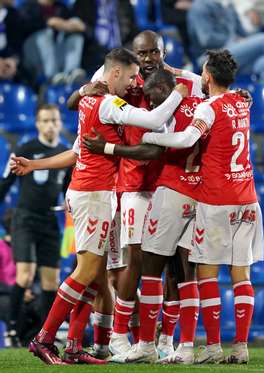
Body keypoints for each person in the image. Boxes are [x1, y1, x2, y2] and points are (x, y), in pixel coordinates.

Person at [10, 47, 189, 365]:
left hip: (95, 193)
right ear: (115, 73)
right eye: (131, 76)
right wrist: (179, 90)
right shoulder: (107, 104)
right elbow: (153, 118)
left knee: (94, 276)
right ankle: (45, 338)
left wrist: (34, 166)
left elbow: (76, 151)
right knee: (88, 270)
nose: (134, 83)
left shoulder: (91, 101)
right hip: (92, 194)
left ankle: (76, 345)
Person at [66, 30, 204, 359]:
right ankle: (118, 338)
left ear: (163, 51)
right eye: (141, 54)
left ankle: (165, 340)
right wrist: (85, 89)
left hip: (169, 183)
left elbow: (216, 94)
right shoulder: (122, 80)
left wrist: (240, 95)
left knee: (175, 266)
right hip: (131, 186)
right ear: (133, 55)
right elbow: (76, 101)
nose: (147, 59)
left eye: (153, 52)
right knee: (134, 260)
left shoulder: (182, 80)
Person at [141, 49, 264, 364]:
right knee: (242, 276)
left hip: (218, 200)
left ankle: (211, 347)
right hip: (248, 199)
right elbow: (215, 83)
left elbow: (185, 140)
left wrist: (152, 138)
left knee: (207, 274)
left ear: (207, 75)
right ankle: (241, 347)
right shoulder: (243, 101)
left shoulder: (209, 109)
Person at [0, 105, 70, 348]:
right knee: (25, 275)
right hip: (25, 218)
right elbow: (6, 183)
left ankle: (45, 335)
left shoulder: (65, 154)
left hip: (50, 221)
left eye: (54, 120)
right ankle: (11, 329)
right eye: (45, 120)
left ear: (60, 123)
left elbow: (67, 191)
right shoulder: (25, 149)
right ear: (38, 124)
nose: (50, 125)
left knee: (51, 281)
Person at [20, 0, 86, 84]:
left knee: (76, 36)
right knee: (46, 34)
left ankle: (71, 72)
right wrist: (48, 23)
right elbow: (23, 28)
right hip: (34, 53)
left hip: (56, 51)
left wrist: (73, 25)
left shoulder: (61, 7)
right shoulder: (29, 6)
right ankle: (52, 75)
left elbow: (78, 25)